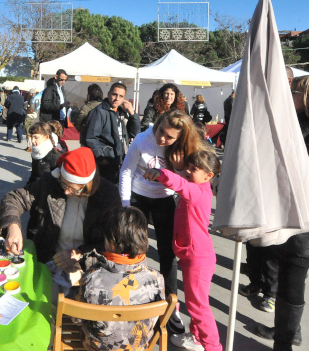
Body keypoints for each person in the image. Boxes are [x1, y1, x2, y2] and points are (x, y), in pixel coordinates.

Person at [254, 75, 309, 350]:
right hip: (288, 214)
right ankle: (288, 331)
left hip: (306, 221)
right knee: (284, 280)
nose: (289, 95)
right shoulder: (301, 125)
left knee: (292, 284)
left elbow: (306, 173)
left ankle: (285, 342)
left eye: (294, 92)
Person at [119, 109, 208, 336]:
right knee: (132, 249)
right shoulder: (142, 139)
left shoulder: (183, 149)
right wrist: (126, 204)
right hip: (138, 197)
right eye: (160, 131)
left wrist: (178, 168)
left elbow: (190, 182)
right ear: (157, 124)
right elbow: (126, 171)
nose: (162, 139)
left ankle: (171, 307)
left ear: (179, 138)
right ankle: (128, 297)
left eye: (169, 137)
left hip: (164, 200)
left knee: (168, 254)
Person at [145, 150, 223, 351]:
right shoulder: (200, 187)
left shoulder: (197, 192)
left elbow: (179, 184)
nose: (188, 171)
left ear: (208, 176)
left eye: (194, 169)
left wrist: (160, 173)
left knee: (198, 306)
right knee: (196, 301)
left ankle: (213, 346)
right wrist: (178, 170)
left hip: (197, 258)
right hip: (195, 255)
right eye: (188, 166)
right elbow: (183, 181)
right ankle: (197, 337)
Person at [0, 147, 121, 266]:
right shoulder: (49, 183)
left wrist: (81, 254)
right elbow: (14, 198)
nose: (66, 192)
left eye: (73, 189)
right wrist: (13, 226)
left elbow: (115, 241)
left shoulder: (109, 195)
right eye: (64, 184)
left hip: (88, 265)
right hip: (48, 258)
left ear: (88, 185)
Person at [74, 206, 166, 351]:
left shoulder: (93, 279)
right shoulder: (156, 279)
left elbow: (77, 319)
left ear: (111, 242)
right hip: (138, 346)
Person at [81, 82, 140, 184]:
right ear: (108, 94)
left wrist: (133, 113)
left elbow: (135, 133)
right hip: (106, 161)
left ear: (124, 98)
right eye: (114, 94)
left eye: (121, 96)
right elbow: (90, 138)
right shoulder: (99, 112)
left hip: (120, 160)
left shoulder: (122, 112)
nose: (117, 98)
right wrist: (101, 157)